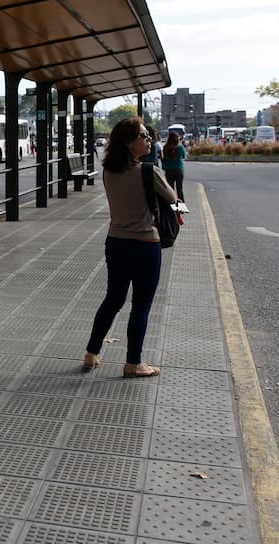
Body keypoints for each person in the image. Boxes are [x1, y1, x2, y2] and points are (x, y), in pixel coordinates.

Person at [82, 117, 176, 379]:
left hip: (116, 243)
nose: (149, 140)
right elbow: (172, 197)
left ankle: (92, 352)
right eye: (144, 136)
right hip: (146, 245)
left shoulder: (108, 171)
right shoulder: (148, 171)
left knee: (112, 300)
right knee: (141, 306)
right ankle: (133, 363)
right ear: (128, 142)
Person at [161, 130, 186, 204]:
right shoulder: (180, 147)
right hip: (179, 169)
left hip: (168, 170)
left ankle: (172, 205)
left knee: (170, 189)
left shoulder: (165, 147)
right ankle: (182, 206)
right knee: (179, 189)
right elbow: (183, 156)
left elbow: (163, 158)